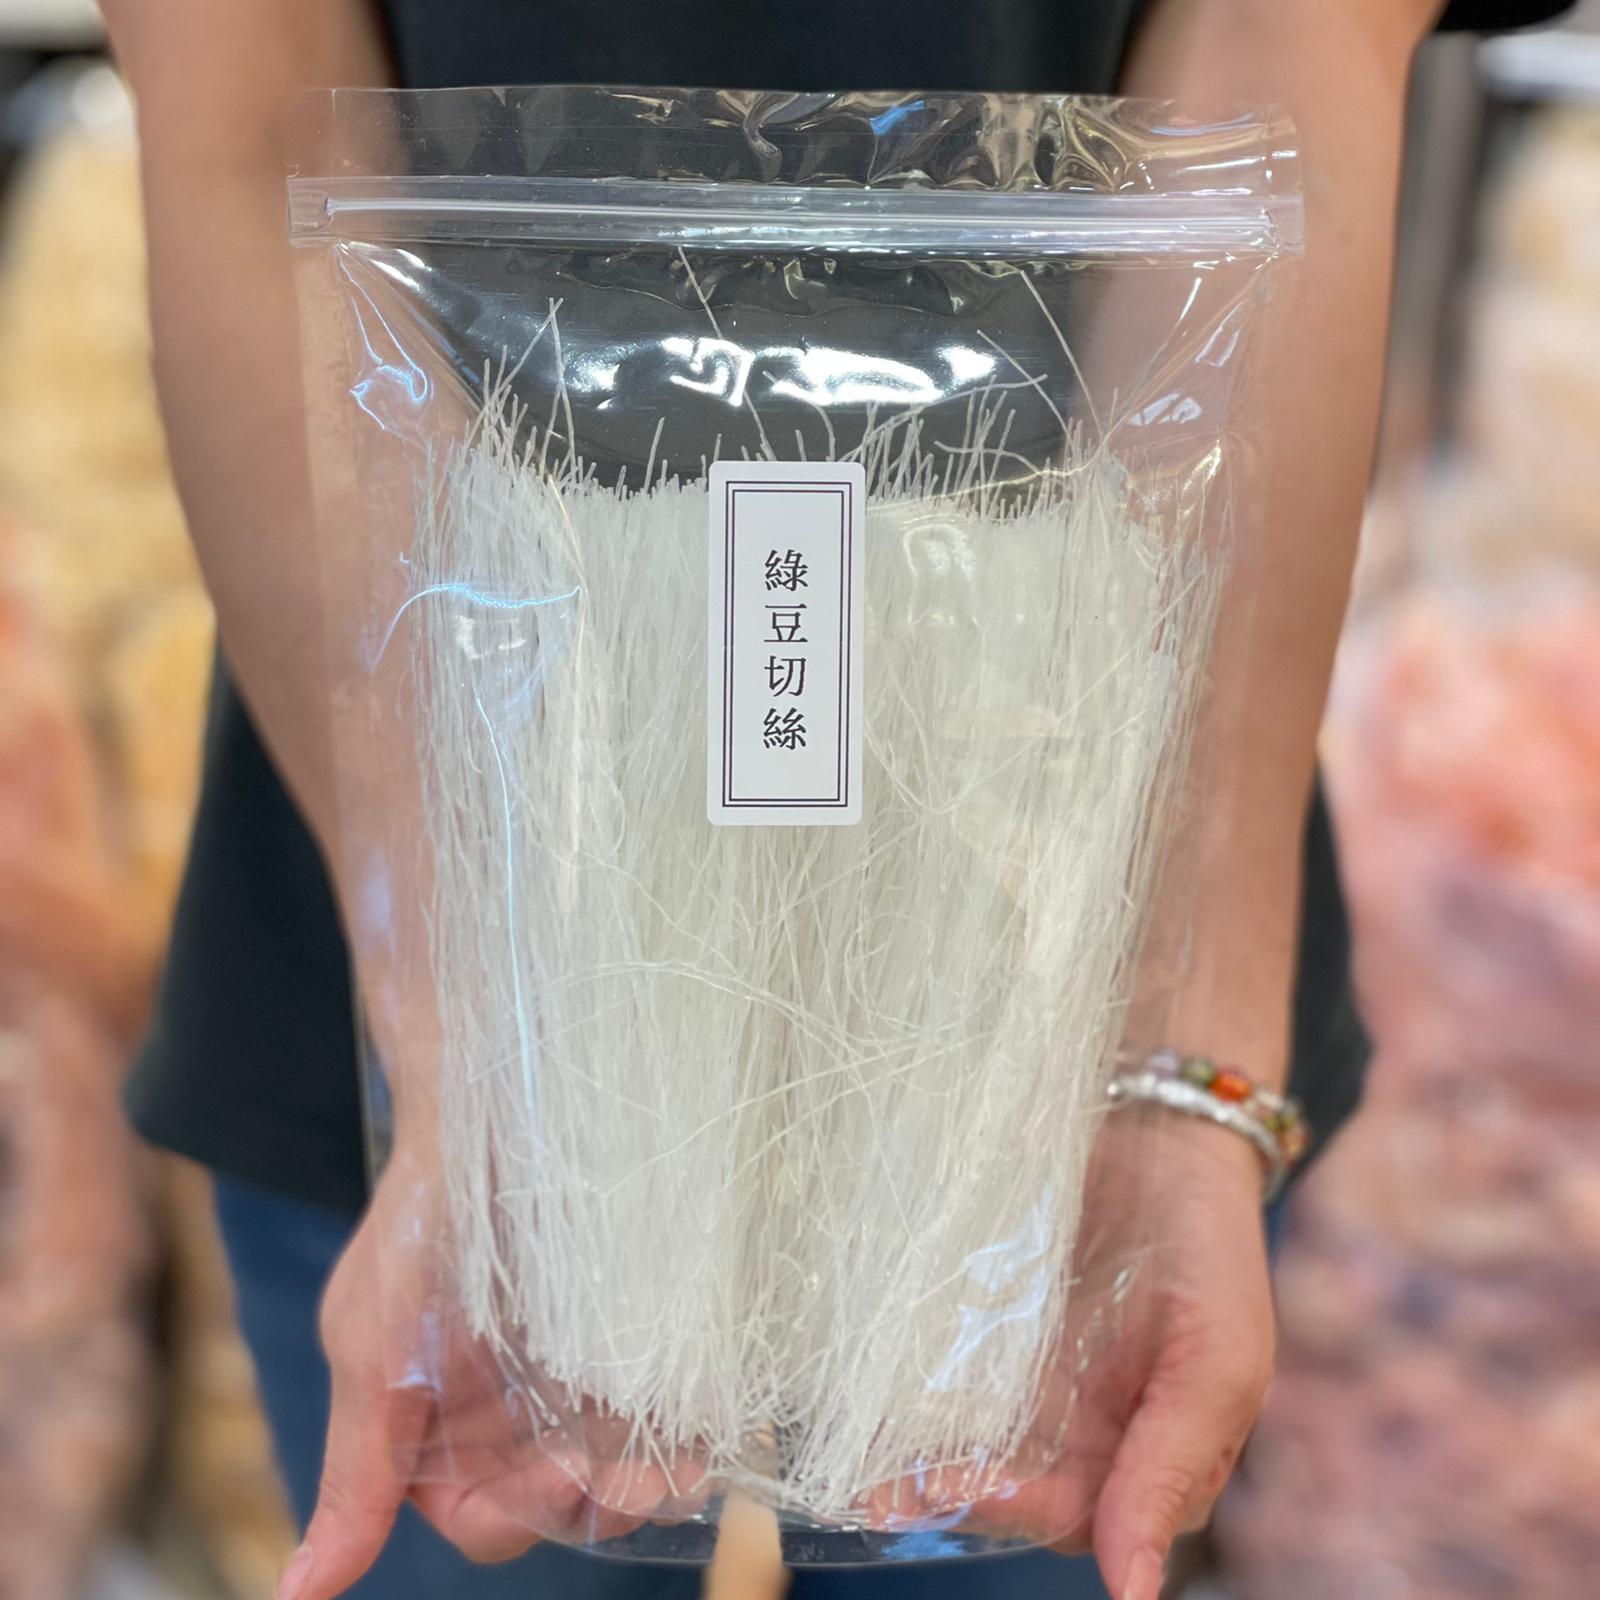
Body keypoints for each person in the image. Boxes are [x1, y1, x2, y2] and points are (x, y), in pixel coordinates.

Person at [99, 2, 1571, 1598]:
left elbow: (1288, 65)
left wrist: (1175, 1064)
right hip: (436, 1046)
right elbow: (246, 125)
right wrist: (479, 1056)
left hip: (1079, 1064)